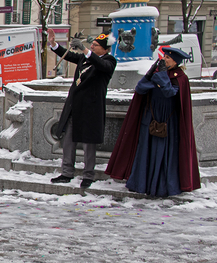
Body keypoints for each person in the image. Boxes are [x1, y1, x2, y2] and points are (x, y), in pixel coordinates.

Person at [106, 47, 201, 196]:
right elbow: (141, 88)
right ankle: (141, 183)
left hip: (168, 121)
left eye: (168, 58)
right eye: (164, 57)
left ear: (176, 61)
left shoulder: (180, 77)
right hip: (150, 118)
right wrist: (150, 74)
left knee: (164, 152)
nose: (164, 60)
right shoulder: (157, 74)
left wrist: (162, 76)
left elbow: (169, 92)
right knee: (145, 149)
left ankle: (163, 186)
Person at [48, 30, 117, 188]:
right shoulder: (84, 59)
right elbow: (69, 55)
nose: (92, 46)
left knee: (88, 144)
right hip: (75, 106)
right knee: (68, 141)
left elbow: (101, 65)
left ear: (105, 49)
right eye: (92, 44)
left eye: (96, 45)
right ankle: (66, 172)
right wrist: (53, 44)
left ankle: (88, 175)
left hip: (91, 109)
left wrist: (85, 50)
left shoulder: (109, 60)